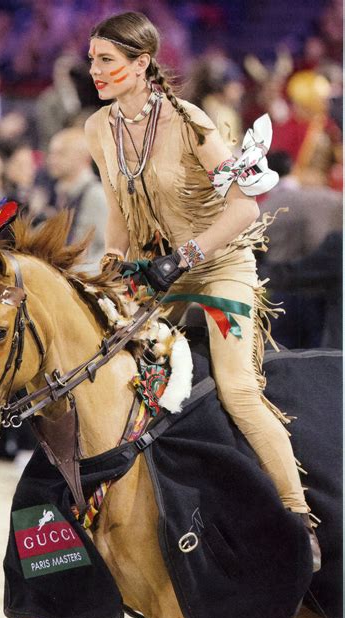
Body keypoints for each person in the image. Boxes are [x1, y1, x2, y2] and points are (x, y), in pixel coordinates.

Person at [84, 12, 320, 571]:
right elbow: (119, 212)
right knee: (99, 366)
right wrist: (112, 268)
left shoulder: (192, 122)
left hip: (217, 267)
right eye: (93, 59)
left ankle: (298, 519)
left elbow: (244, 205)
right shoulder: (98, 128)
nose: (94, 70)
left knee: (238, 388)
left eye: (106, 60)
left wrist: (184, 257)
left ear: (142, 65)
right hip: (153, 270)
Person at [258, 151, 342, 349]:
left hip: (284, 291)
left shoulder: (265, 207)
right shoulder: (329, 197)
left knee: (283, 354)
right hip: (323, 288)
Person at [46, 127, 108, 272]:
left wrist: (79, 275)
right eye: (51, 153)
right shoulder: (60, 194)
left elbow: (111, 249)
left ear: (84, 158)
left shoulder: (96, 195)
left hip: (84, 283)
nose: (51, 159)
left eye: (61, 153)